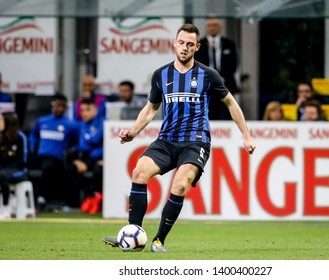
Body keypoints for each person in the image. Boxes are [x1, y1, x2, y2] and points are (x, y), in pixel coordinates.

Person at [102, 23, 256, 252]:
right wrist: (134, 132)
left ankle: (158, 240)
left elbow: (231, 103)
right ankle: (133, 234)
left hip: (195, 141)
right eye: (181, 43)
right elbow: (151, 108)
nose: (184, 48)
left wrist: (246, 135)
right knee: (139, 171)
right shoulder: (161, 75)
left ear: (197, 47)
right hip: (166, 140)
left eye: (190, 45)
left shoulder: (208, 75)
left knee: (181, 183)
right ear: (175, 43)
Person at [29, 94, 79, 209]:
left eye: (62, 106)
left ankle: (41, 198)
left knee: (48, 166)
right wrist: (32, 146)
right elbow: (33, 135)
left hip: (57, 159)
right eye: (57, 105)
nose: (59, 108)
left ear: (66, 107)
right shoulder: (42, 121)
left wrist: (72, 150)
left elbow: (80, 142)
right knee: (24, 165)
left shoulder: (71, 125)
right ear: (53, 105)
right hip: (40, 156)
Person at [194, 18, 239, 120]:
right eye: (209, 25)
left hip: (226, 85)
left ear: (220, 27)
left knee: (226, 115)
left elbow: (234, 65)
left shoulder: (229, 44)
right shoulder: (199, 45)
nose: (212, 28)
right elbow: (197, 64)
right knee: (207, 115)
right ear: (206, 28)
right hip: (205, 86)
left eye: (215, 25)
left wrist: (221, 79)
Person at [67, 98, 104, 214]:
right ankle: (92, 195)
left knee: (99, 170)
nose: (84, 113)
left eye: (88, 109)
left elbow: (95, 139)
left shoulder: (103, 122)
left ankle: (97, 200)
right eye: (82, 110)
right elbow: (83, 146)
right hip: (87, 158)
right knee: (71, 168)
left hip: (101, 158)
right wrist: (77, 159)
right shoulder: (82, 125)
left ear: (95, 109)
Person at [0, 112, 28, 219]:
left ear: (8, 122)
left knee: (2, 175)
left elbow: (24, 159)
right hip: (3, 170)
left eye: (1, 120)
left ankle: (6, 207)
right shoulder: (1, 138)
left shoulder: (20, 137)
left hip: (19, 170)